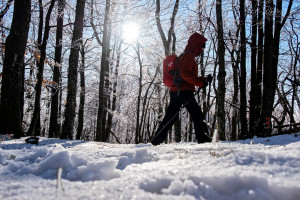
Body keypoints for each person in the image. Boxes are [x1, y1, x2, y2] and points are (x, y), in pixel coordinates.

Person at [151, 32, 211, 145]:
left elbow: (184, 74)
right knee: (198, 115)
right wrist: (200, 83)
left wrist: (203, 79)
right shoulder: (188, 56)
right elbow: (185, 74)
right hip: (184, 92)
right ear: (197, 45)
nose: (203, 49)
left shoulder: (184, 55)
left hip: (176, 91)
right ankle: (205, 141)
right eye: (202, 46)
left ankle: (156, 140)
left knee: (170, 117)